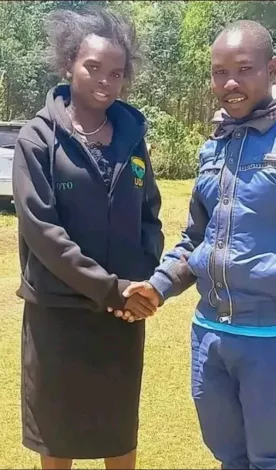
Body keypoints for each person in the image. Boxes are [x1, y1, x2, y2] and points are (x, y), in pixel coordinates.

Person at [115, 20, 276, 469]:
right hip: (211, 335)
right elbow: (196, 240)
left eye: (244, 69)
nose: (230, 83)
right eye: (219, 72)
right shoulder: (214, 147)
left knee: (269, 457)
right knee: (228, 454)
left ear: (271, 69)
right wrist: (157, 287)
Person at [11, 7, 162, 470]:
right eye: (93, 67)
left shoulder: (131, 138)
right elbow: (43, 232)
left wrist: (138, 284)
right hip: (60, 316)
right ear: (68, 65)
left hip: (119, 318)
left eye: (116, 73)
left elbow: (150, 218)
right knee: (58, 438)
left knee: (118, 433)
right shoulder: (38, 139)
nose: (105, 81)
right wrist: (109, 288)